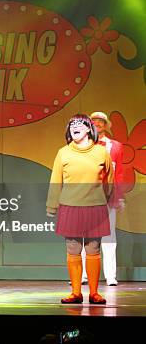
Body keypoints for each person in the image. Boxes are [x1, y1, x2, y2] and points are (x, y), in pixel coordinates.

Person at [47, 114, 113, 304]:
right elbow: (56, 180)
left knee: (93, 249)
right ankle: (76, 293)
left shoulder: (101, 153)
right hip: (70, 206)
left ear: (88, 129)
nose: (74, 128)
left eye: (79, 124)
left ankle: (94, 293)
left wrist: (107, 199)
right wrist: (52, 205)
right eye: (71, 125)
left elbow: (109, 179)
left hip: (95, 207)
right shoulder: (63, 153)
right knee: (73, 249)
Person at [77, 112, 123, 286]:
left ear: (106, 125)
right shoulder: (81, 145)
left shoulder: (116, 147)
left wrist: (119, 197)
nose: (97, 123)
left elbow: (118, 174)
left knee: (109, 236)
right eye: (93, 121)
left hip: (107, 196)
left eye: (101, 121)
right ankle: (83, 276)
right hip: (86, 197)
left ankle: (110, 276)